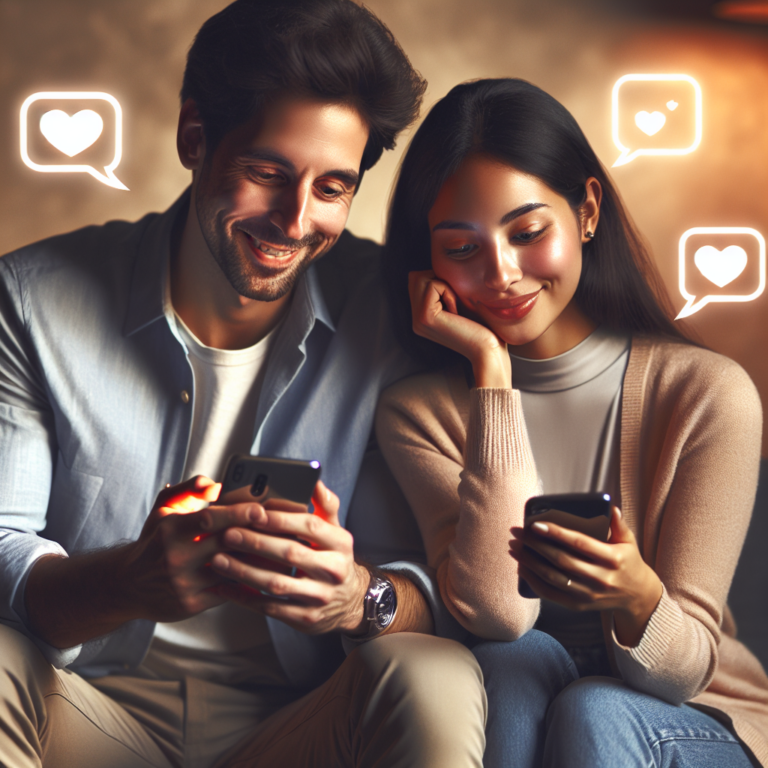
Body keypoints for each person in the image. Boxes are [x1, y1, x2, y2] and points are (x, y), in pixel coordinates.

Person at [0, 2, 488, 766]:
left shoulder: (391, 314)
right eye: (268, 174)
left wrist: (359, 597)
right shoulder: (30, 300)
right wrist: (133, 581)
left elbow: (442, 589)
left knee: (435, 671)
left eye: (333, 187)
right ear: (195, 137)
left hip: (300, 726)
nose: (295, 222)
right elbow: (2, 552)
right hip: (88, 715)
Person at [376, 77, 768, 767]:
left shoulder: (708, 394)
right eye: (462, 249)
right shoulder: (420, 413)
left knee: (594, 709)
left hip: (698, 720)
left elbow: (681, 671)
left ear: (587, 210)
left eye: (527, 232)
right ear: (427, 261)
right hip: (533, 696)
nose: (501, 274)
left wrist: (638, 594)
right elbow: (499, 614)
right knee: (507, 662)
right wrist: (489, 372)